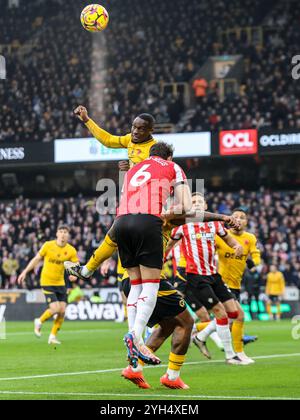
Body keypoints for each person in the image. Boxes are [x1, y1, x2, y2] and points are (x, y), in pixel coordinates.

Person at [114, 141, 192, 367]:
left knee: (135, 283)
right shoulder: (172, 166)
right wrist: (166, 213)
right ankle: (136, 338)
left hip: (121, 222)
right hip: (147, 222)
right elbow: (185, 206)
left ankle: (132, 334)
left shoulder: (134, 169)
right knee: (150, 284)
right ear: (168, 156)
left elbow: (123, 199)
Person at [166, 193, 249, 365]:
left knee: (234, 313)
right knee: (220, 312)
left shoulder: (215, 225)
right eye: (193, 202)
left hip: (214, 275)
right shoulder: (182, 227)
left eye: (199, 202)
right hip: (196, 277)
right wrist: (161, 258)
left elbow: (230, 240)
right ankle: (230, 355)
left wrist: (238, 246)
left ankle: (201, 336)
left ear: (205, 207)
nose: (196, 204)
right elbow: (169, 246)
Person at [196, 208, 261, 363]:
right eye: (235, 217)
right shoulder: (221, 236)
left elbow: (256, 258)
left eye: (242, 217)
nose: (238, 219)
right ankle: (238, 353)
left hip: (236, 283)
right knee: (239, 315)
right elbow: (207, 250)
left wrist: (251, 262)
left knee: (227, 319)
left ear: (246, 222)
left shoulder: (250, 238)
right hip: (220, 282)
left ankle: (198, 333)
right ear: (230, 219)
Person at [17, 226, 78, 345]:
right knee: (55, 309)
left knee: (62, 311)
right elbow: (36, 259)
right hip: (47, 281)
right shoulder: (48, 245)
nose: (63, 234)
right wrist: (25, 272)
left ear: (68, 235)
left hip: (60, 283)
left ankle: (52, 336)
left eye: (65, 232)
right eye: (61, 232)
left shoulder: (71, 250)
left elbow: (76, 264)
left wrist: (75, 274)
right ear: (56, 233)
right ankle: (39, 321)